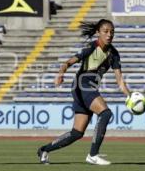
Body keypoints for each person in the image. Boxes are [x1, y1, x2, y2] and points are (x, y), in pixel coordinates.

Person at [37, 19, 131, 165]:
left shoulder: (114, 54)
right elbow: (68, 62)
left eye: (112, 31)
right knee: (106, 113)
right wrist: (60, 74)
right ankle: (93, 155)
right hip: (82, 86)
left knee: (77, 133)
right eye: (105, 31)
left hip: (89, 88)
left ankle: (44, 150)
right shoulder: (91, 47)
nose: (109, 34)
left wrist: (130, 97)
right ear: (98, 33)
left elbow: (120, 82)